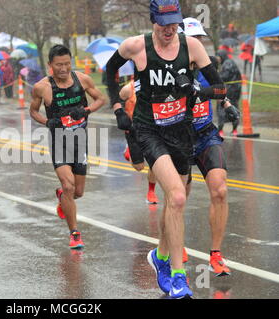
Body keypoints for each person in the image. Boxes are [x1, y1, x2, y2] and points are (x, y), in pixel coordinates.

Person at [105, 0, 227, 298]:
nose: (170, 29)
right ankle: (178, 276)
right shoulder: (136, 46)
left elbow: (222, 88)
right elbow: (109, 72)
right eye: (164, 23)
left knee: (176, 201)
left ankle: (159, 255)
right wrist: (119, 107)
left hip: (181, 132)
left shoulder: (192, 48)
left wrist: (198, 91)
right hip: (149, 131)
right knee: (177, 195)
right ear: (152, 21)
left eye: (175, 22)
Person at [30, 45, 105, 250]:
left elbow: (101, 99)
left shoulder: (82, 79)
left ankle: (63, 198)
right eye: (58, 65)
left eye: (66, 64)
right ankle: (74, 234)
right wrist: (47, 123)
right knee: (69, 185)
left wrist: (86, 111)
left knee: (78, 192)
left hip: (79, 140)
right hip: (59, 141)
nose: (63, 68)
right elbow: (33, 111)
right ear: (50, 65)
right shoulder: (42, 87)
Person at [180, 17, 238, 276]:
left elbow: (218, 88)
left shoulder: (207, 65)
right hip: (177, 138)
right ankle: (175, 244)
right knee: (179, 198)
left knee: (220, 190)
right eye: (193, 39)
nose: (198, 43)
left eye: (200, 38)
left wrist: (226, 105)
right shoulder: (169, 68)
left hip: (205, 134)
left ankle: (216, 254)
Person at [119, 77, 159, 205]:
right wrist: (121, 115)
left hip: (153, 129)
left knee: (155, 163)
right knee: (139, 167)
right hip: (134, 130)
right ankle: (129, 149)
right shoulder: (128, 89)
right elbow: (117, 101)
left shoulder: (157, 86)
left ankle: (151, 192)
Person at [216, 49, 242, 136]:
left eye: (218, 56)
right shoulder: (230, 62)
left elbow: (225, 76)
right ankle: (234, 130)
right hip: (236, 90)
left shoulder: (227, 63)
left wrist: (216, 75)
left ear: (221, 56)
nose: (217, 58)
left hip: (228, 91)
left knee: (222, 108)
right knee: (234, 108)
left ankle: (220, 131)